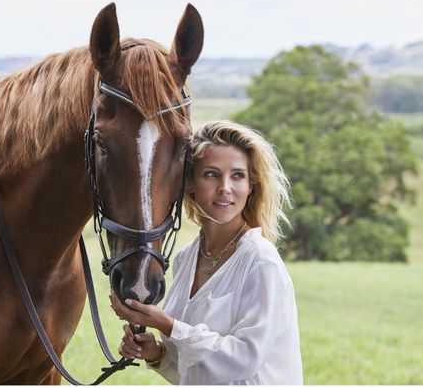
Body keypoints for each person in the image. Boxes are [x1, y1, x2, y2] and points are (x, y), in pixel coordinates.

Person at [110, 120, 303, 385]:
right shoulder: (185, 258)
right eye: (212, 174)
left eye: (237, 175)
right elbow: (196, 371)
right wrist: (156, 353)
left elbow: (243, 361)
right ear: (189, 183)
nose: (225, 187)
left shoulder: (260, 261)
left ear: (251, 186)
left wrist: (168, 325)